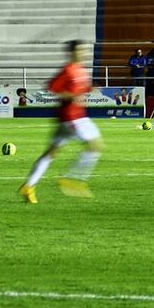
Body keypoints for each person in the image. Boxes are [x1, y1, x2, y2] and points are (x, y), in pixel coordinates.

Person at [18, 40, 103, 204]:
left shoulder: (82, 71)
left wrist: (88, 90)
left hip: (67, 120)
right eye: (81, 50)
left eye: (85, 50)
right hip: (74, 117)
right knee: (95, 146)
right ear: (72, 52)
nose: (84, 53)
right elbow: (51, 88)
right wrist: (71, 97)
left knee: (50, 153)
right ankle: (71, 179)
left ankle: (28, 186)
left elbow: (78, 90)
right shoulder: (68, 70)